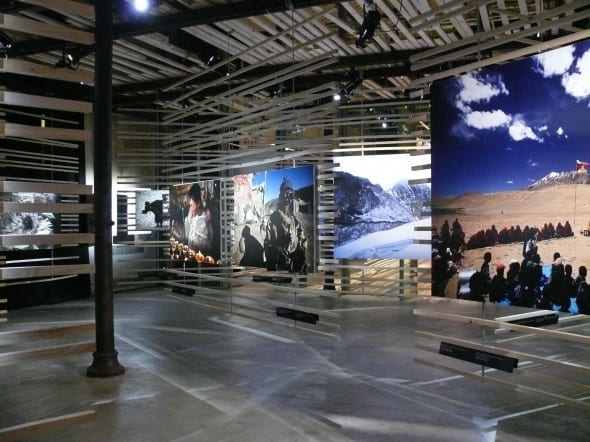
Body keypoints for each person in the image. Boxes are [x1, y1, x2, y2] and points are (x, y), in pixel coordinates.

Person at [184, 182, 214, 255]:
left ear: (198, 203)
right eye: (189, 206)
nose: (190, 209)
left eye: (191, 205)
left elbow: (202, 246)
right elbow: (187, 235)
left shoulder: (202, 219)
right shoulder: (192, 213)